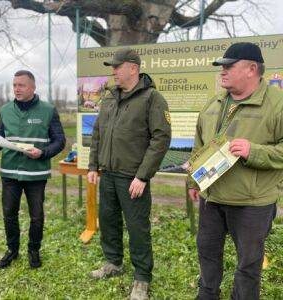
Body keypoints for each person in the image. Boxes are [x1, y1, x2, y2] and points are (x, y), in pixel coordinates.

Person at [188, 42, 282, 300]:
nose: (222, 71)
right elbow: (199, 144)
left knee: (249, 263)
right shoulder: (214, 103)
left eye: (229, 66)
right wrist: (194, 182)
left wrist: (255, 151)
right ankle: (207, 295)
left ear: (252, 69)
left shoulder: (277, 104)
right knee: (207, 252)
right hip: (212, 198)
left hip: (252, 203)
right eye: (221, 67)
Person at [87, 48, 171, 300]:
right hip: (108, 175)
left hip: (133, 178)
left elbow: (161, 138)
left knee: (137, 228)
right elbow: (98, 134)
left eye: (117, 66)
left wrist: (143, 176)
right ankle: (113, 263)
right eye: (112, 67)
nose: (113, 71)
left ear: (133, 68)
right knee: (109, 221)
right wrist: (93, 166)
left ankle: (142, 278)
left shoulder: (152, 98)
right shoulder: (110, 98)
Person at [0, 70, 65, 269]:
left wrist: (42, 153)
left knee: (37, 216)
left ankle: (34, 250)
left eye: (21, 85)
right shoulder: (5, 110)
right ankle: (12, 250)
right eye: (14, 85)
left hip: (36, 173)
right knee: (9, 214)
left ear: (33, 87)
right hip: (10, 172)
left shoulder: (48, 110)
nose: (17, 89)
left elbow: (60, 141)